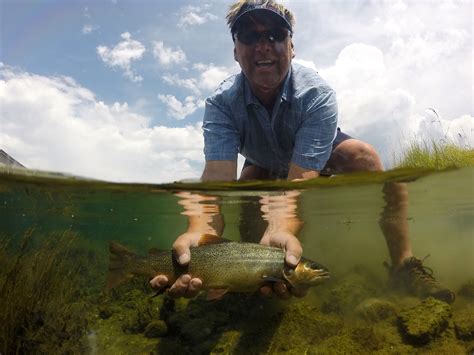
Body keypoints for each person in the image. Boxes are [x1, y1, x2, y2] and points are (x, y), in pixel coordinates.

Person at [150, 0, 454, 303]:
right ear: (235, 50)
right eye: (249, 35)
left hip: (314, 157)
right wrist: (198, 232)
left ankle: (404, 265)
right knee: (246, 192)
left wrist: (282, 227)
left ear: (291, 46)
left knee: (366, 158)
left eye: (275, 34)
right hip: (262, 160)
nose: (263, 45)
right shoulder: (220, 103)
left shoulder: (317, 95)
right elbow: (216, 183)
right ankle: (242, 270)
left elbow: (299, 183)